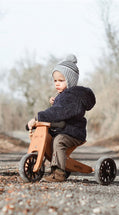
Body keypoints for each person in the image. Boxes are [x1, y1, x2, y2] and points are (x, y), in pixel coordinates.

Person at [28, 54, 96, 182]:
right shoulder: (65, 96)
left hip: (74, 131)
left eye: (61, 80)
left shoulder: (72, 96)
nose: (57, 84)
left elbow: (59, 112)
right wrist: (56, 102)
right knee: (48, 138)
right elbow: (61, 110)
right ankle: (59, 165)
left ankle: (58, 173)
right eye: (55, 81)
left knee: (58, 141)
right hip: (65, 129)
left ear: (70, 80)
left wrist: (38, 117)